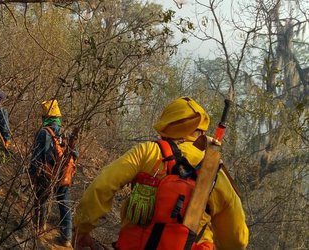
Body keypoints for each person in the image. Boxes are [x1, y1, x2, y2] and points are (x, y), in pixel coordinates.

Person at [73, 97, 249, 250]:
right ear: (201, 131)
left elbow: (101, 185)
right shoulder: (214, 172)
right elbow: (238, 239)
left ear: (167, 124)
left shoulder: (147, 151)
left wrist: (83, 229)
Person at [29, 100, 79, 247]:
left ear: (45, 116)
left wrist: (32, 173)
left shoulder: (44, 132)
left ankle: (39, 227)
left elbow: (38, 156)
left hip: (47, 173)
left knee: (41, 198)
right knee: (64, 203)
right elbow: (75, 153)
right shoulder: (66, 132)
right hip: (63, 173)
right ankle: (66, 237)